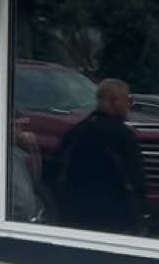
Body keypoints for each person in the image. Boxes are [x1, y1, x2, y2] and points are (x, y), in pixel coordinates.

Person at [54, 78, 150, 235]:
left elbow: (60, 171)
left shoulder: (74, 133)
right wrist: (142, 213)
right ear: (116, 101)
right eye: (128, 100)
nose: (130, 105)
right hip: (116, 216)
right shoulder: (123, 136)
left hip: (75, 213)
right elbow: (136, 177)